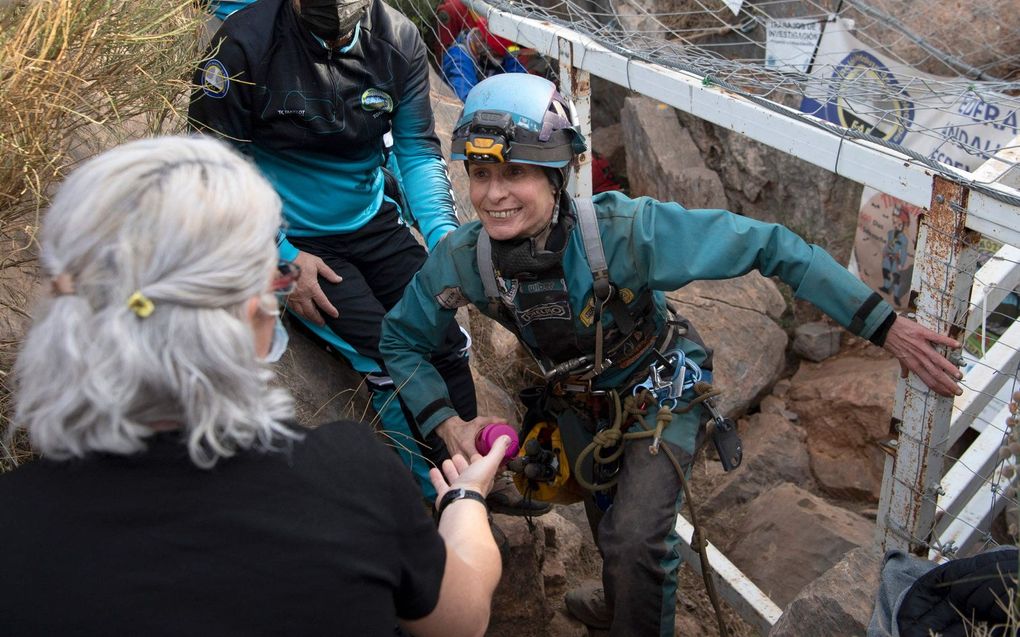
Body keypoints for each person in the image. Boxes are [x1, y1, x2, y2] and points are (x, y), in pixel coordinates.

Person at [379, 74, 965, 636]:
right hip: (578, 403)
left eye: (515, 172)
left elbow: (771, 245)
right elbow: (399, 339)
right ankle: (618, 600)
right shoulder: (464, 260)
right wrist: (446, 422)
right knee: (604, 508)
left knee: (635, 537)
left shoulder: (624, 234)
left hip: (660, 389)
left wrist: (885, 327)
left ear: (560, 174)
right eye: (480, 173)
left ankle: (633, 611)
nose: (493, 194)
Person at [0, 135, 507, 637]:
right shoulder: (347, 477)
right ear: (254, 319)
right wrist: (464, 500)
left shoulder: (16, 520)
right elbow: (460, 620)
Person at [187, 0, 533, 511]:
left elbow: (415, 148)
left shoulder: (397, 41)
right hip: (289, 237)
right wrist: (278, 254)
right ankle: (433, 497)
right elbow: (210, 169)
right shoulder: (243, 45)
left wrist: (443, 239)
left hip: (372, 220)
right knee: (387, 353)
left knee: (445, 337)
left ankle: (476, 474)